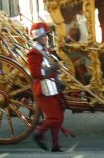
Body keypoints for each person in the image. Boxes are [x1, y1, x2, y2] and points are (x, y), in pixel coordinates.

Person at [27, 22, 73, 152]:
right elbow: (35, 73)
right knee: (55, 118)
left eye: (46, 36)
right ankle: (38, 133)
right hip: (43, 89)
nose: (46, 38)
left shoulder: (45, 51)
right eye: (44, 36)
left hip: (52, 87)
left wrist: (58, 79)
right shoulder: (33, 54)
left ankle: (55, 145)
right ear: (37, 38)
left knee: (59, 117)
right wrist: (51, 69)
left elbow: (52, 70)